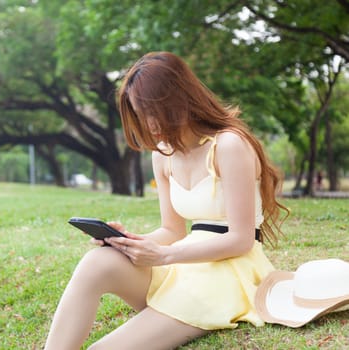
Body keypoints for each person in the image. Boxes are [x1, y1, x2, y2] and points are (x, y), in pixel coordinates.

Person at [44, 51, 289, 349]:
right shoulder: (162, 155)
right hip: (185, 261)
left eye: (155, 111)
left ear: (181, 98)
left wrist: (164, 256)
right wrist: (128, 241)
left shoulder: (229, 145)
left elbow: (241, 240)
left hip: (230, 271)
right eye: (140, 113)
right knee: (97, 260)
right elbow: (172, 231)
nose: (150, 123)